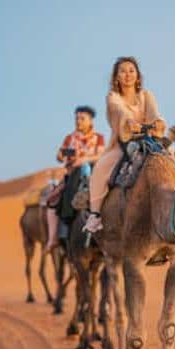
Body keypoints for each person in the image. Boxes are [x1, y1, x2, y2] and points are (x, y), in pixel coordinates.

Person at [84, 56, 175, 233]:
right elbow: (118, 110)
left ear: (137, 75)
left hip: (151, 140)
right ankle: (95, 215)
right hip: (124, 143)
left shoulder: (146, 95)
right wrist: (128, 122)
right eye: (123, 71)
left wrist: (157, 122)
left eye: (131, 70)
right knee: (100, 169)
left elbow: (153, 112)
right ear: (116, 77)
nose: (127, 74)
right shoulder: (113, 97)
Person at [45, 106, 105, 251]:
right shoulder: (69, 138)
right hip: (71, 175)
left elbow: (101, 155)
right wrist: (61, 155)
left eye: (82, 118)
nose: (78, 121)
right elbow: (59, 157)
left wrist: (84, 159)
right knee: (52, 200)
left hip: (95, 175)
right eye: (77, 118)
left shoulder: (99, 138)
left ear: (90, 121)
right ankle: (53, 238)